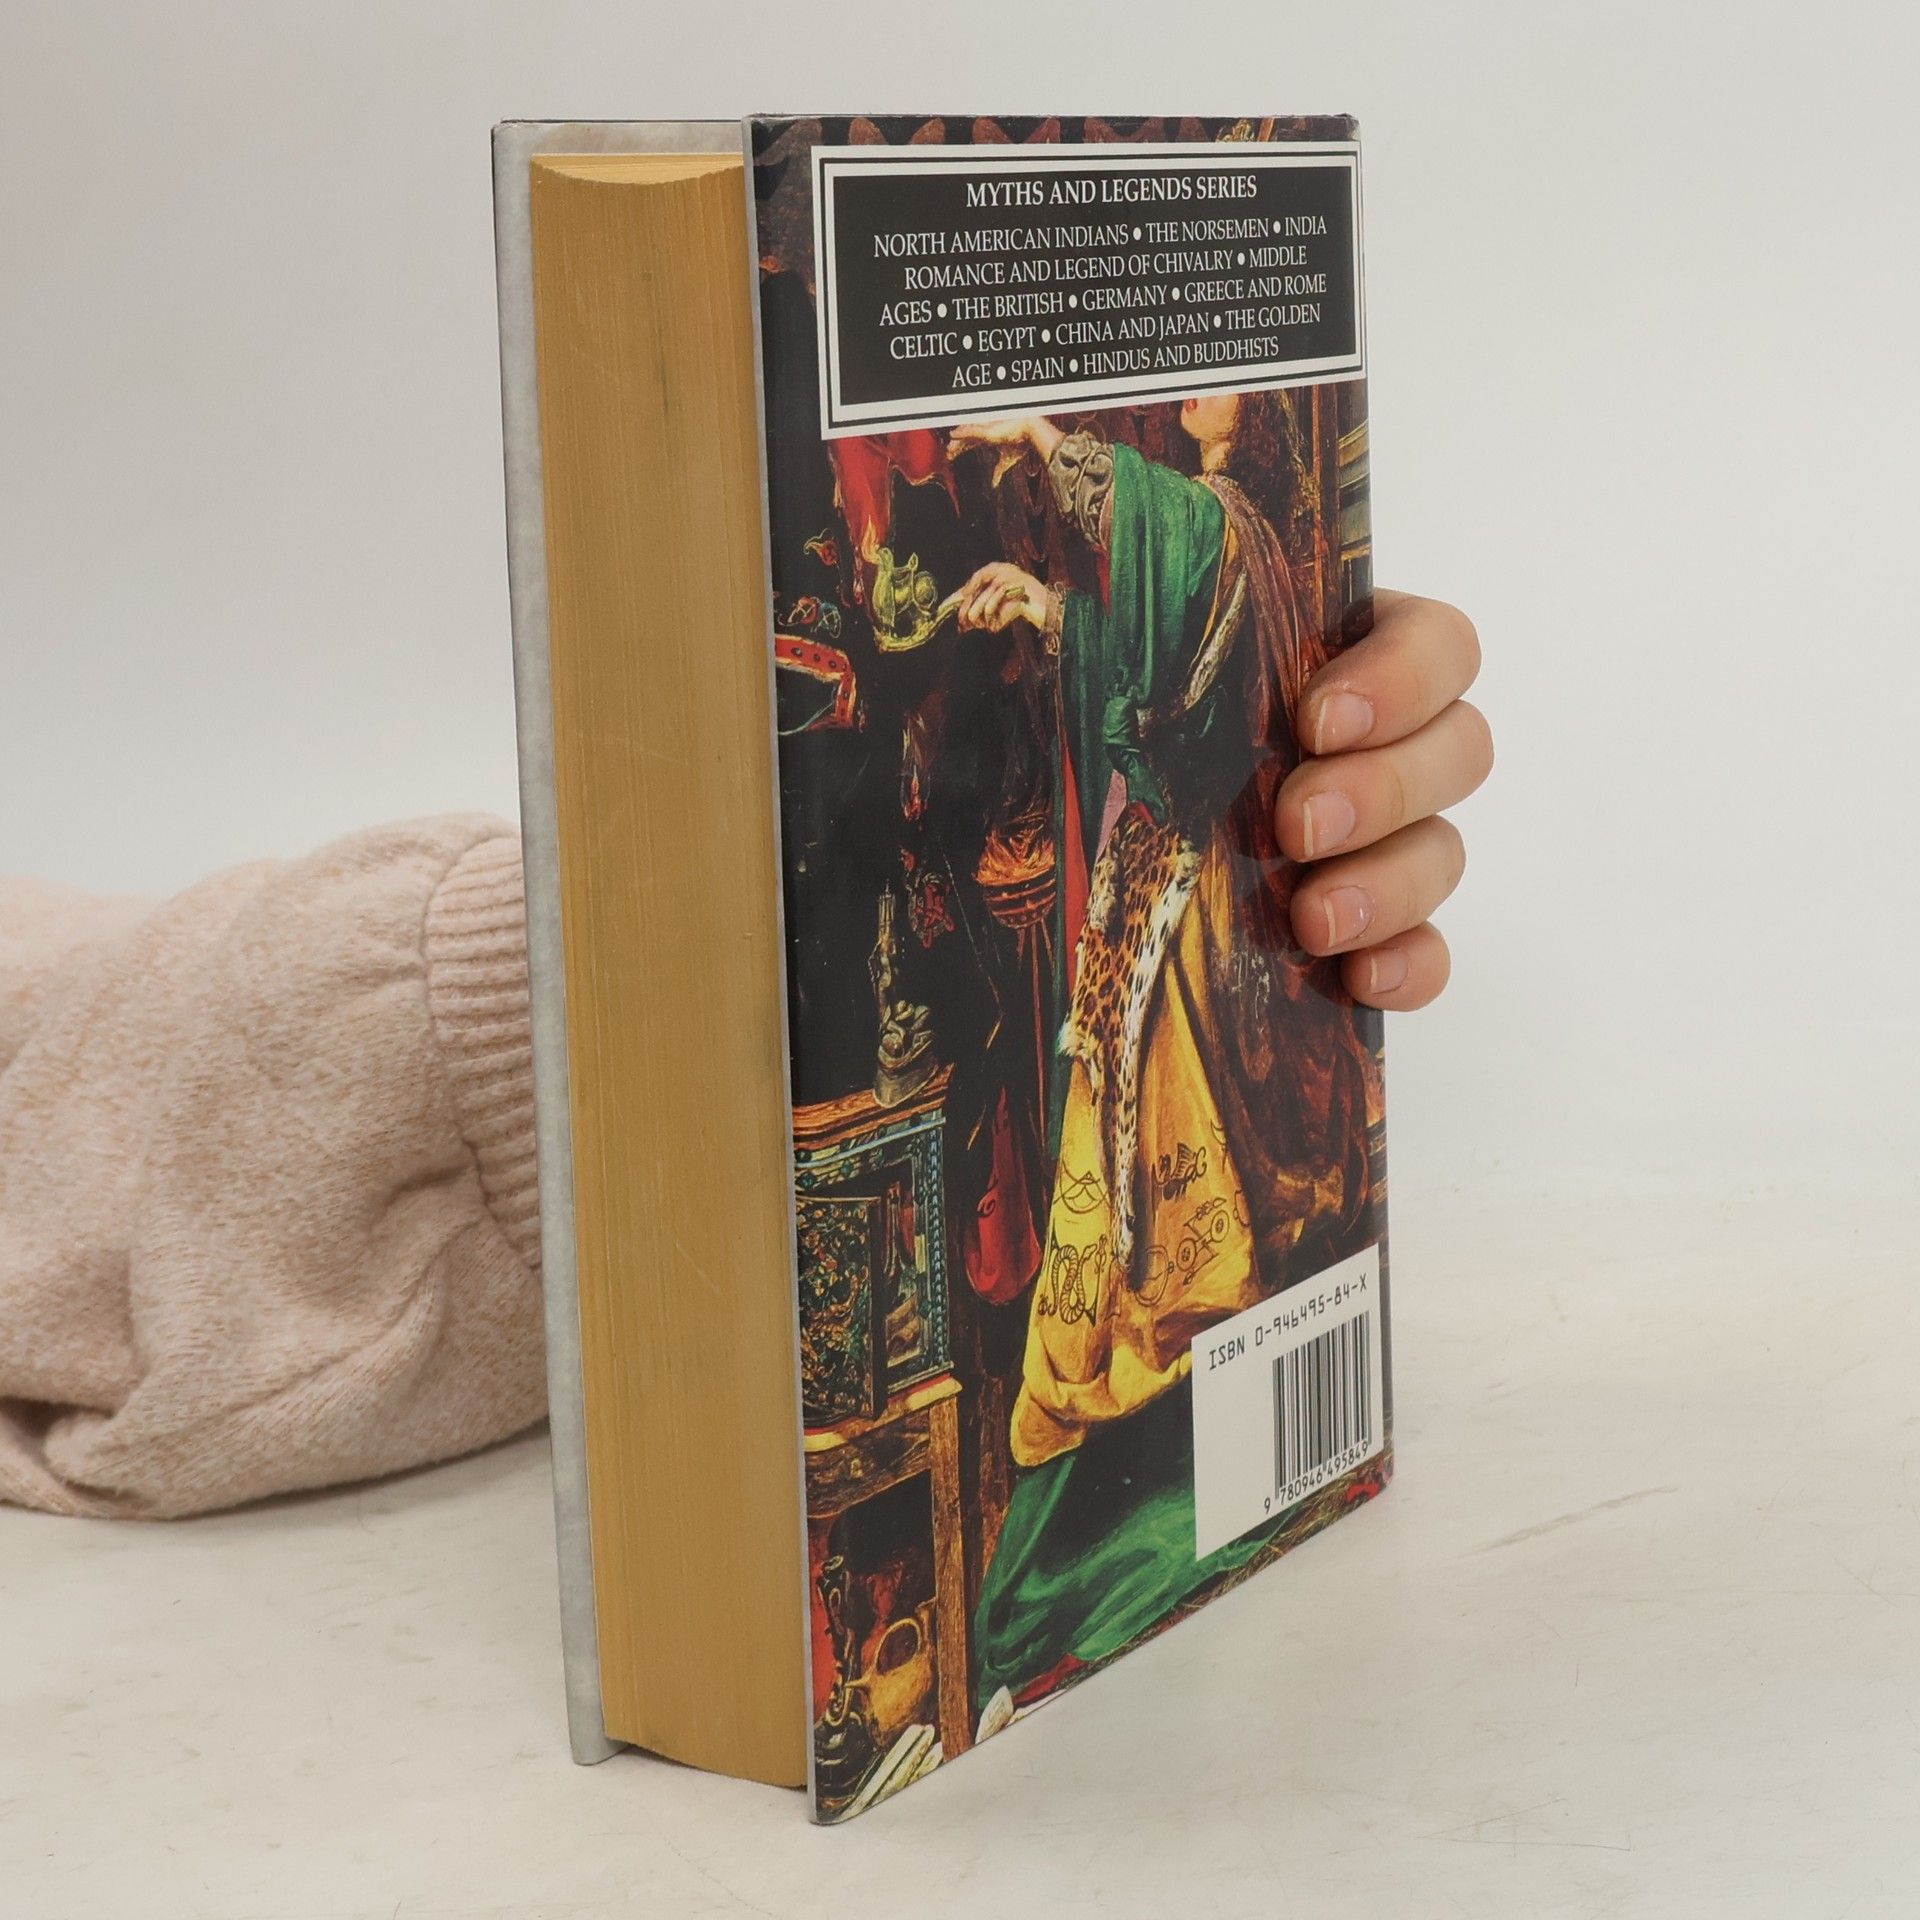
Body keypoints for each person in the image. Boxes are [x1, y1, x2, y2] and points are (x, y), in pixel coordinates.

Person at [942, 400, 1492, 1710]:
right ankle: (1116, 1504)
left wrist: (1040, 445)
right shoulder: (1223, 531)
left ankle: (1168, 1493)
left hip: (1194, 916)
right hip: (1157, 895)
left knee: (1167, 1206)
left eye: (1222, 393)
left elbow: (1189, 575)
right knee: (1117, 1193)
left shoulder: (1229, 520)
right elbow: (1164, 666)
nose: (1200, 401)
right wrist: (1052, 613)